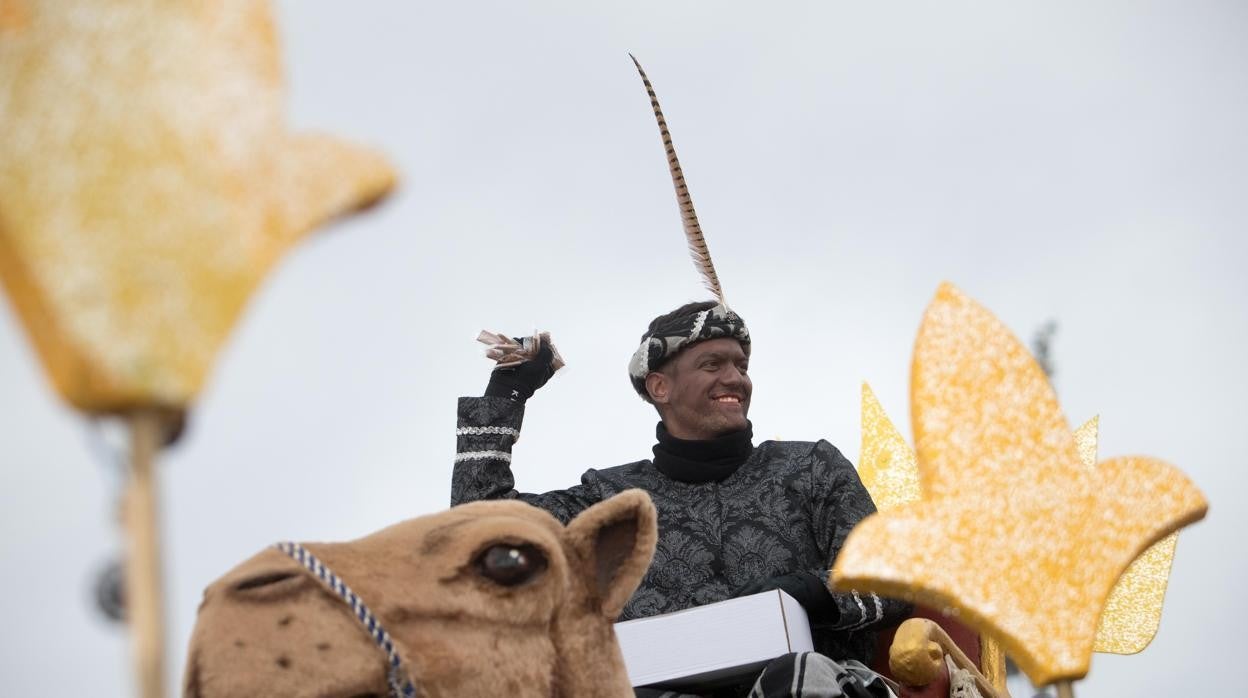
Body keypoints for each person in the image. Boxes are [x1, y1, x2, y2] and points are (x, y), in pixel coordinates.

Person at [451, 300, 908, 697]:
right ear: (659, 387)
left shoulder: (810, 467)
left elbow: (897, 582)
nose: (736, 379)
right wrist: (506, 394)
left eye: (741, 366)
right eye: (713, 365)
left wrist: (810, 593)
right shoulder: (610, 501)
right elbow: (480, 533)